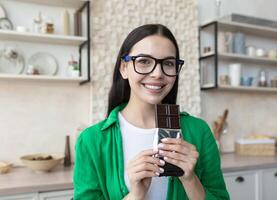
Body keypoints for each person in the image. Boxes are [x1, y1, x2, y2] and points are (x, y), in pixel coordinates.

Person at [73, 24, 229, 200]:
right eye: (144, 61)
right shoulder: (91, 141)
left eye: (169, 63)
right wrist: (136, 194)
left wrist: (190, 180)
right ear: (124, 68)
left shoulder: (199, 131)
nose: (157, 74)